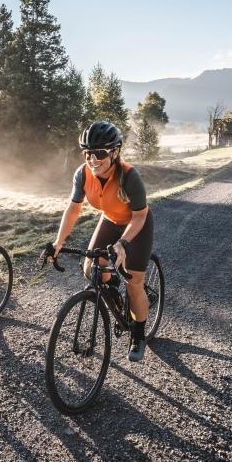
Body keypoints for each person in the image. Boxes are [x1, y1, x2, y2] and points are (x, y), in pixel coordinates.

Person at [45, 121, 154, 361]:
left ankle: (138, 333)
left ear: (114, 152)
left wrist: (123, 243)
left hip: (136, 225)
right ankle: (113, 291)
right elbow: (73, 208)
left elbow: (140, 216)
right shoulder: (83, 174)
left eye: (100, 153)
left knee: (133, 282)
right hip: (111, 220)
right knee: (90, 269)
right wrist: (58, 242)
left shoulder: (129, 176)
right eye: (88, 153)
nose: (93, 159)